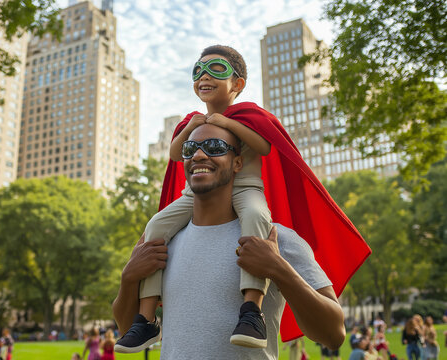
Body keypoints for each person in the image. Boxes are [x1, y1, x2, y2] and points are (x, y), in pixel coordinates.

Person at [113, 123, 346, 359]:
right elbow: (126, 328)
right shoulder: (162, 243)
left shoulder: (276, 240)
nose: (199, 155)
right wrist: (128, 278)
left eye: (215, 147)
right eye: (190, 149)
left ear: (237, 163)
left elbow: (334, 335)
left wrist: (278, 269)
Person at [115, 45, 275, 353]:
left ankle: (251, 310)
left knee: (256, 218)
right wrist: (191, 127)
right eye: (198, 70)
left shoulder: (250, 115)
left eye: (216, 69)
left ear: (237, 83)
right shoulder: (194, 120)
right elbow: (176, 154)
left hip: (244, 189)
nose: (204, 76)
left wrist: (227, 124)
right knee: (156, 225)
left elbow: (265, 147)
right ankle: (146, 318)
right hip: (198, 192)